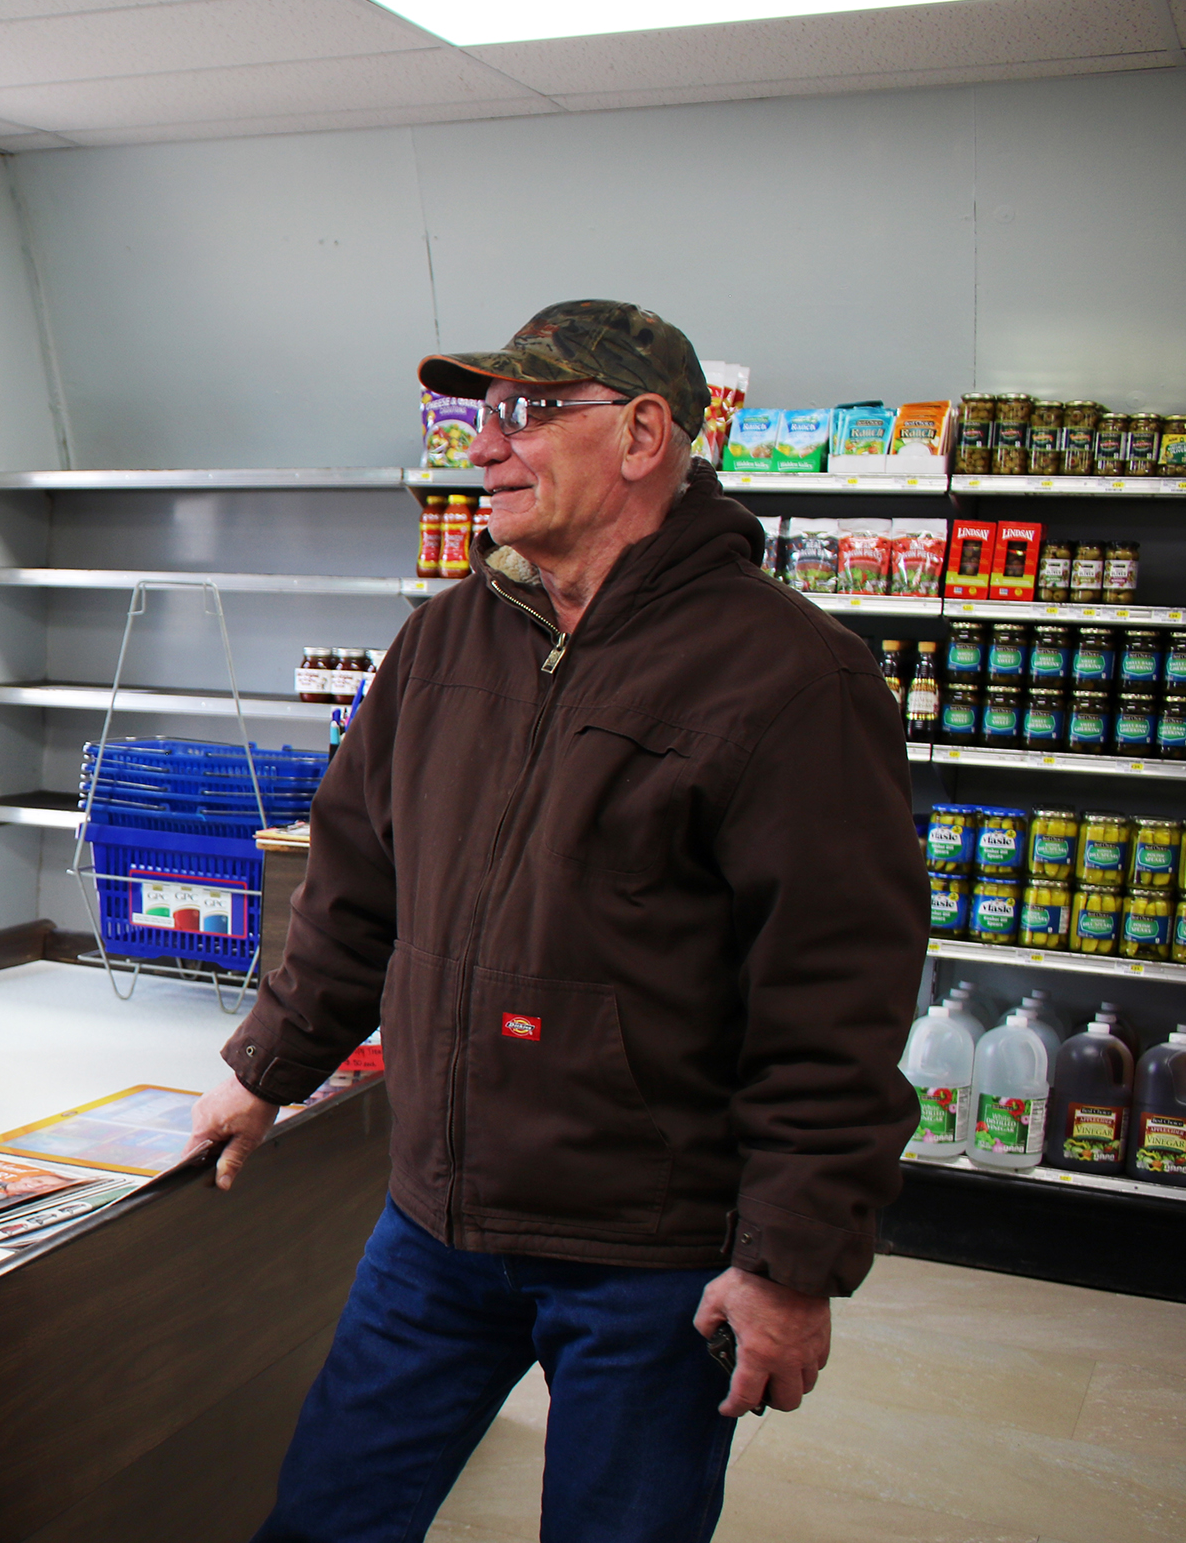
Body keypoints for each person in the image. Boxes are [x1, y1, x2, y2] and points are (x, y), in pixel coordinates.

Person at [187, 301, 925, 1542]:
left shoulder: (792, 677)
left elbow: (833, 1000)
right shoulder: (443, 641)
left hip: (652, 1255)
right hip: (433, 1221)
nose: (484, 446)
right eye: (477, 417)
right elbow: (356, 886)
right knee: (321, 1521)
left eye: (526, 413)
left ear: (643, 435)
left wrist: (789, 1262)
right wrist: (263, 1065)